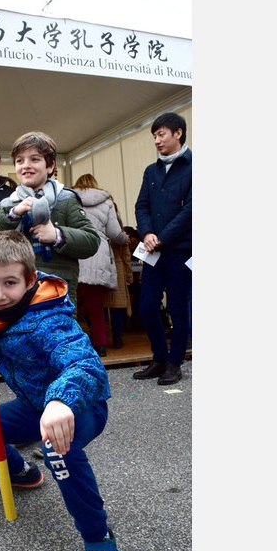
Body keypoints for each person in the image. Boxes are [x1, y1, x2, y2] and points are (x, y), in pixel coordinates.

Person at [0, 230, 120, 551]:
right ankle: (23, 473)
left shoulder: (49, 319)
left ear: (29, 280)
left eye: (9, 282)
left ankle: (99, 539)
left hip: (78, 406)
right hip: (33, 406)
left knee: (58, 450)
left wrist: (60, 401)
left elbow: (85, 364)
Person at [0, 131, 99, 310]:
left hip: (55, 287)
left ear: (50, 166)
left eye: (34, 159)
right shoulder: (9, 203)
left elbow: (91, 241)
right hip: (13, 288)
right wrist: (13, 214)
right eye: (20, 160)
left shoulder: (66, 199)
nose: (26, 165)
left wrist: (57, 235)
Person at [131, 112, 192, 386]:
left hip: (181, 249)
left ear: (178, 133)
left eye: (161, 134)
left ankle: (174, 363)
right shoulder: (151, 171)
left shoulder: (194, 166)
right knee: (146, 306)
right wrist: (146, 233)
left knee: (178, 307)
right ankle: (159, 357)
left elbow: (191, 210)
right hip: (153, 250)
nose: (156, 140)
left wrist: (162, 237)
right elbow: (141, 206)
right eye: (154, 136)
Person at [71, 174, 128, 357]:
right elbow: (114, 233)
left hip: (74, 250)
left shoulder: (68, 199)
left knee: (71, 303)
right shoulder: (106, 202)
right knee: (96, 304)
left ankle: (73, 344)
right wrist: (125, 239)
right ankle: (100, 344)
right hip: (97, 252)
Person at [105, 203, 134, 350]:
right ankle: (117, 338)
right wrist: (129, 276)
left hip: (101, 269)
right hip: (118, 269)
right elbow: (126, 257)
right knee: (118, 308)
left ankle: (101, 339)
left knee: (100, 306)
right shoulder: (120, 233)